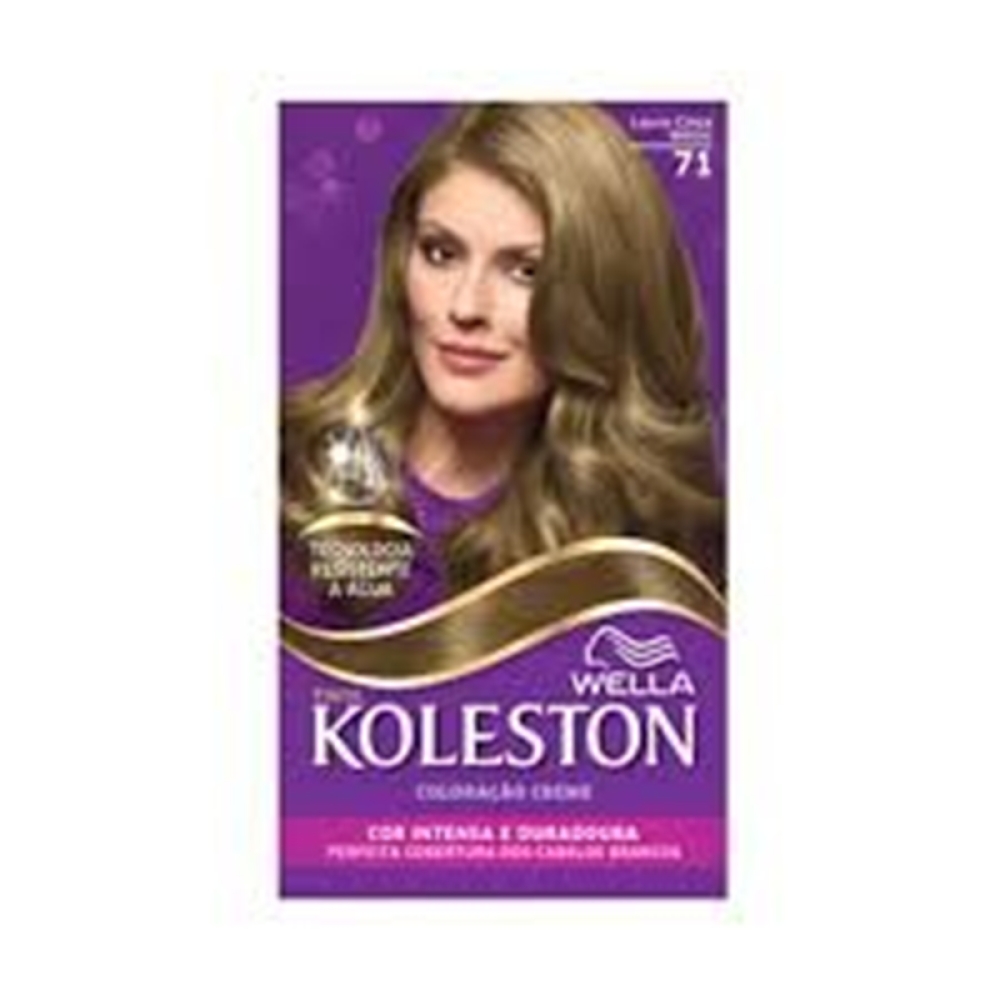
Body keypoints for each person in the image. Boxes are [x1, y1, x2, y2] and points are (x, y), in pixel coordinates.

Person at [281, 103, 724, 627]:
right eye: (441, 253)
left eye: (527, 272)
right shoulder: (286, 465)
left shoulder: (654, 536)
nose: (465, 307)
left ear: (606, 292)